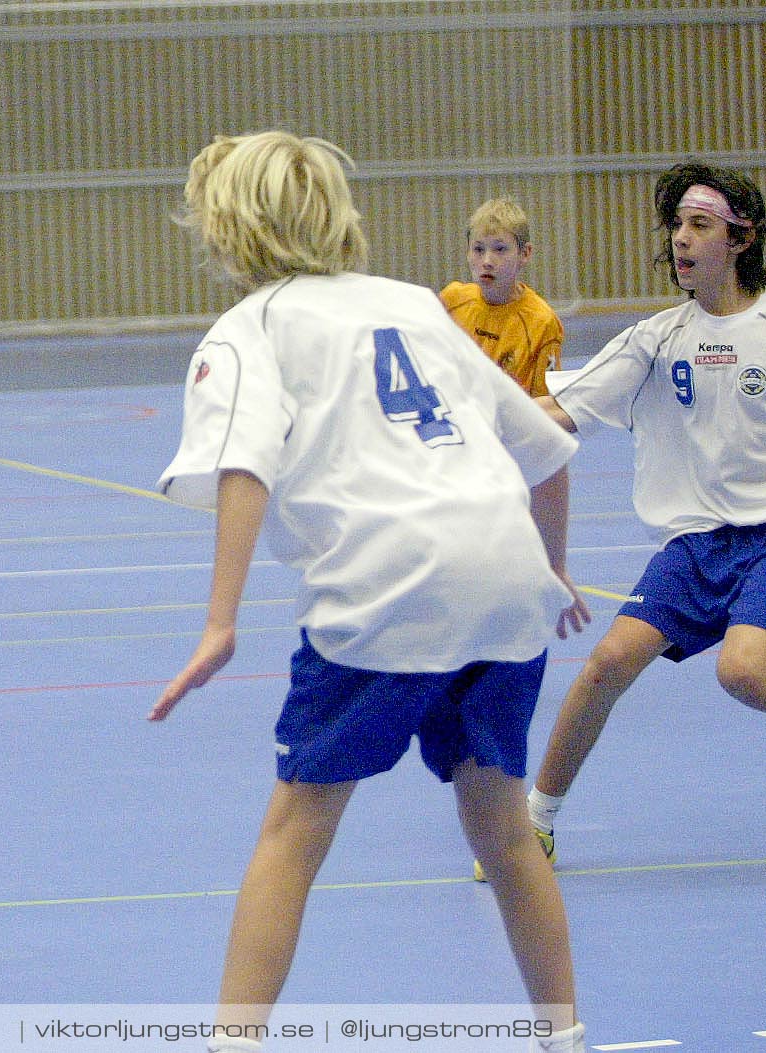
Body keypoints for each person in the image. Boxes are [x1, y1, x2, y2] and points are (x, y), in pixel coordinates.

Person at [148, 131, 588, 1053]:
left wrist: (220, 621)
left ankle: (233, 1043)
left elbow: (243, 463)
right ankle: (566, 1037)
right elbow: (546, 446)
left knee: (295, 829)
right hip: (506, 578)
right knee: (503, 829)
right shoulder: (414, 306)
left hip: (390, 584)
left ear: (230, 228)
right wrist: (549, 568)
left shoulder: (252, 327)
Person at [521, 159, 766, 867]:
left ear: (742, 238)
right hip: (692, 549)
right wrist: (469, 417)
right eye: (677, 227)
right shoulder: (656, 339)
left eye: (700, 225)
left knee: (744, 670)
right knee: (606, 662)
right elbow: (559, 413)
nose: (682, 241)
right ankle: (535, 820)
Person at [440, 197, 564, 396]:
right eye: (478, 249)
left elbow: (546, 407)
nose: (487, 261)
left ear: (525, 253)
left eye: (500, 249)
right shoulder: (451, 301)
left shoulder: (542, 322)